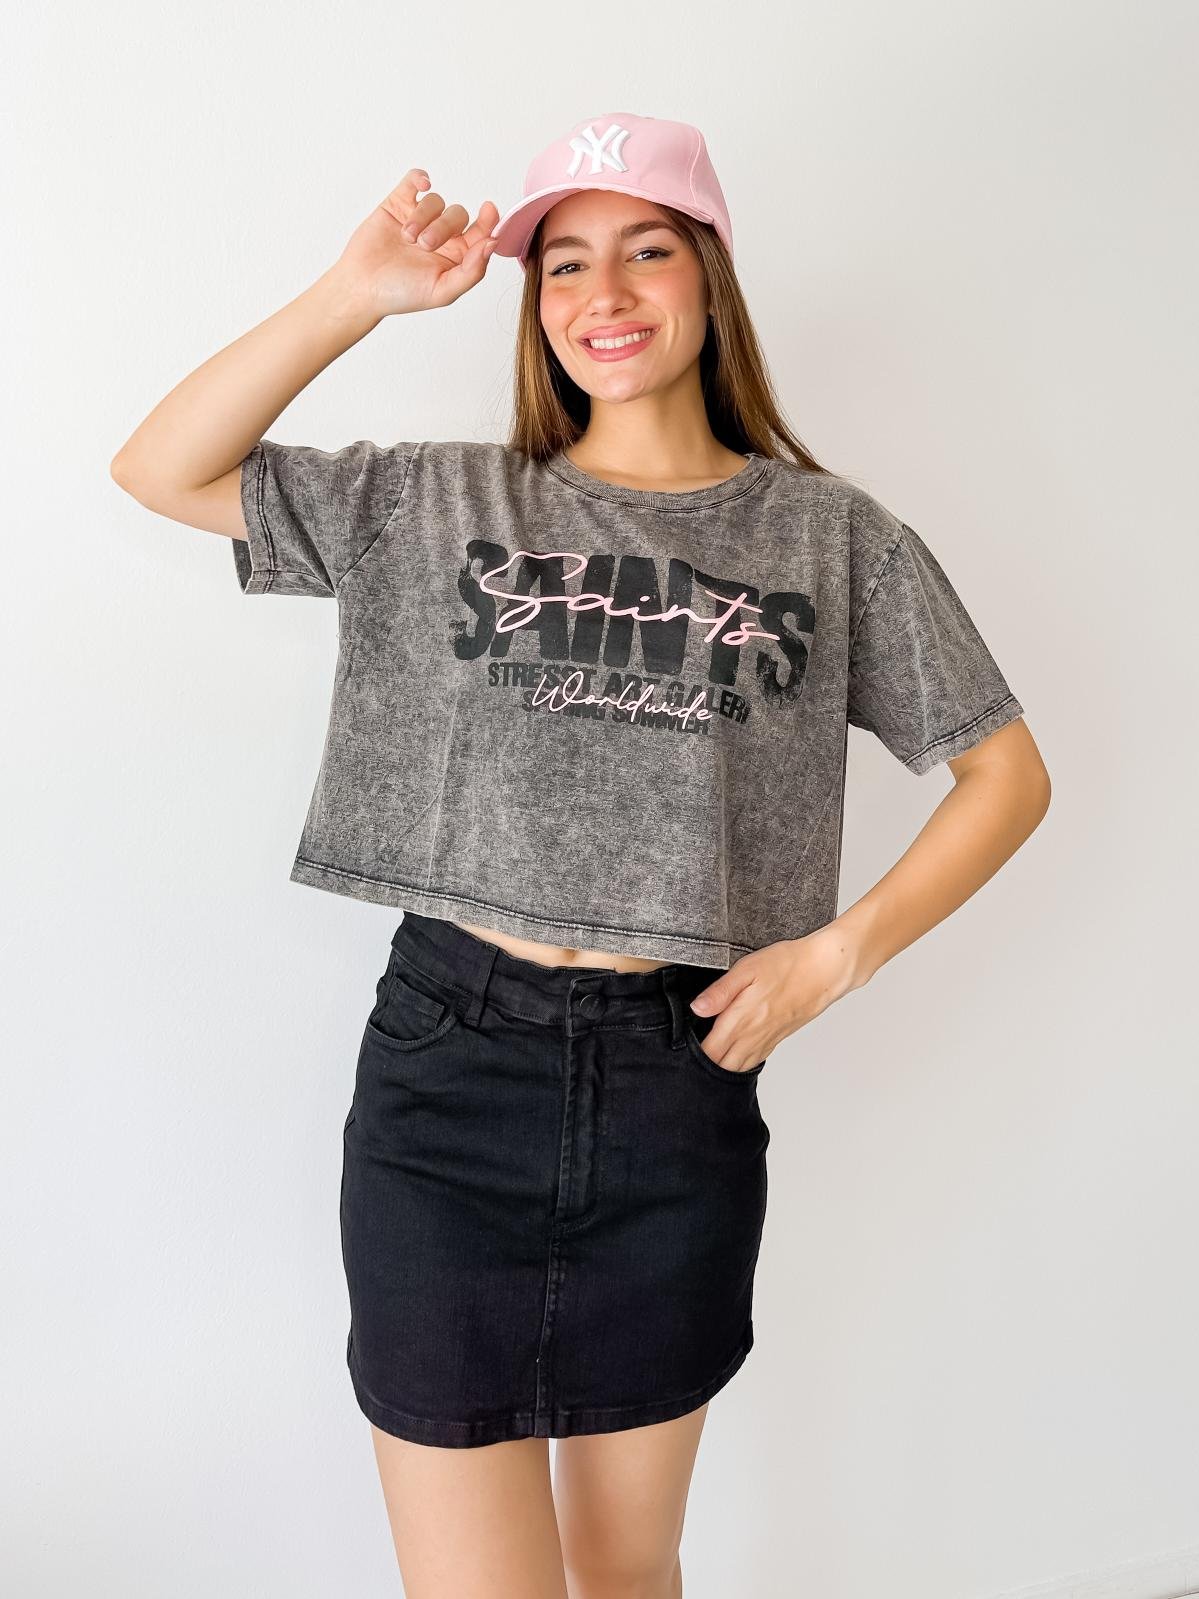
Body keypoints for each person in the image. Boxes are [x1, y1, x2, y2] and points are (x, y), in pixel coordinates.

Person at [110, 111, 1050, 1599]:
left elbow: (1005, 773)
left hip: (675, 1086)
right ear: (534, 304)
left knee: (626, 1570)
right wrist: (356, 293)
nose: (603, 294)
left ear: (710, 278)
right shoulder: (439, 501)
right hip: (448, 1083)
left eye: (646, 251)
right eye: (562, 265)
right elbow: (160, 467)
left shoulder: (831, 537)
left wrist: (833, 958)